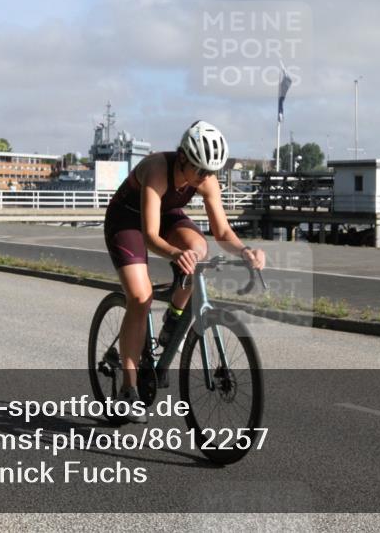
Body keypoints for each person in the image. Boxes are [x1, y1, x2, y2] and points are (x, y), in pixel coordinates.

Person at [103, 121, 265, 423]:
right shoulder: (155, 169)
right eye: (201, 170)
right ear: (183, 158)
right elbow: (151, 236)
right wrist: (176, 254)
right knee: (140, 297)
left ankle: (174, 317)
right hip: (127, 221)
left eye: (210, 171)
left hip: (166, 216)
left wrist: (245, 251)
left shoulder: (207, 179)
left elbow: (222, 231)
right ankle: (128, 389)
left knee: (199, 250)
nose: (205, 177)